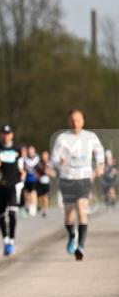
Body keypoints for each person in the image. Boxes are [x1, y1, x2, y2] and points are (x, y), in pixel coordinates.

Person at [51, 109, 106, 260]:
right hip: (67, 179)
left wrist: (100, 165)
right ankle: (72, 235)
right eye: (73, 120)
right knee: (69, 215)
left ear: (83, 121)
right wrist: (59, 162)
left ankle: (81, 246)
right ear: (69, 121)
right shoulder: (62, 138)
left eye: (78, 120)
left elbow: (99, 151)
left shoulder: (90, 137)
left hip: (84, 179)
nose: (75, 123)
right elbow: (53, 159)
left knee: (82, 209)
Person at [0, 126, 24, 256]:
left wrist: (23, 172)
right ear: (1, 135)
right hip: (0, 185)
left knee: (12, 212)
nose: (6, 136)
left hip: (13, 184)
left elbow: (22, 163)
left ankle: (11, 240)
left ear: (12, 135)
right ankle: (5, 239)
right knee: (1, 214)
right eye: (4, 133)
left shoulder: (17, 148)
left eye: (8, 133)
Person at [22, 145, 41, 218]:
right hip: (27, 179)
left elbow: (40, 169)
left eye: (32, 151)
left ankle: (34, 206)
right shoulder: (25, 160)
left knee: (33, 192)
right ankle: (29, 206)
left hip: (34, 179)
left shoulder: (37, 159)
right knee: (27, 193)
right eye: (29, 151)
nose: (30, 152)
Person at [36, 150, 54, 217]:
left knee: (45, 196)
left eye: (46, 155)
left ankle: (45, 210)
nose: (45, 157)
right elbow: (36, 171)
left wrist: (50, 172)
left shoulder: (50, 163)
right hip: (40, 182)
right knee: (40, 197)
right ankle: (39, 206)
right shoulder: (39, 163)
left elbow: (52, 172)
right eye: (44, 155)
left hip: (46, 182)